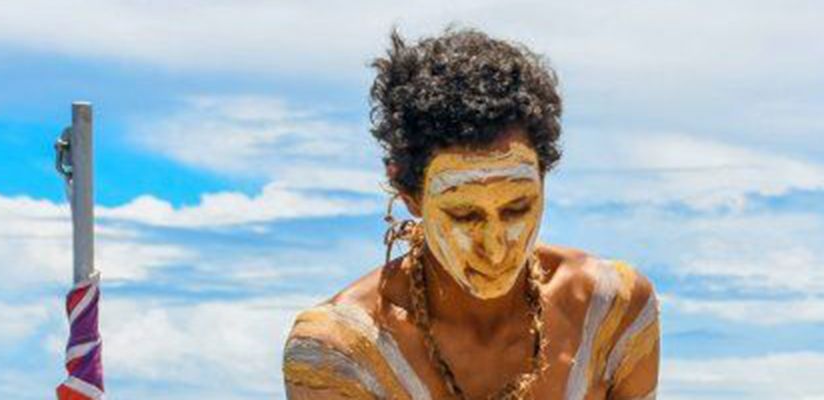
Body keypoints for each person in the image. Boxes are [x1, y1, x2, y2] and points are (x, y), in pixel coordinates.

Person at [282, 27, 659, 400]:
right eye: (464, 215)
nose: (495, 248)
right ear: (411, 196)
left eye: (517, 208)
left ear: (543, 180)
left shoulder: (611, 310)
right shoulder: (340, 351)